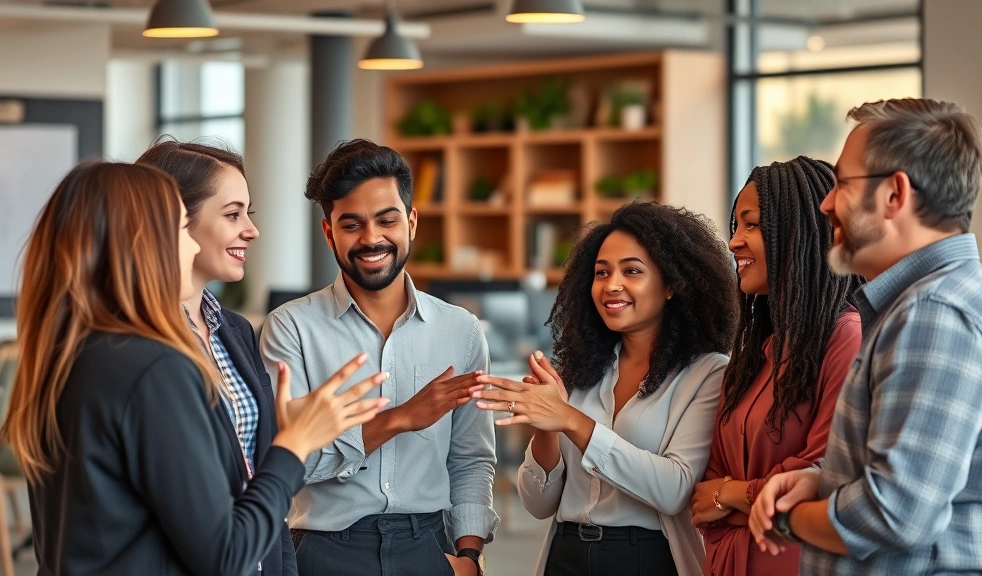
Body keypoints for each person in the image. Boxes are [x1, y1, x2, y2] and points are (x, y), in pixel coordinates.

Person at [1, 161, 389, 575]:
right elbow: (225, 555)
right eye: (178, 228)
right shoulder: (154, 367)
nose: (189, 248)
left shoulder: (72, 354)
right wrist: (292, 447)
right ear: (143, 243)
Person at [748, 98, 982, 575]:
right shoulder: (928, 304)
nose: (826, 203)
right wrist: (820, 482)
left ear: (895, 194)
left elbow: (894, 514)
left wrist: (791, 519)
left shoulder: (937, 315)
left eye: (842, 184)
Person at [259, 139, 497, 576]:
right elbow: (286, 463)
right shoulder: (290, 328)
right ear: (329, 232)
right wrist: (399, 418)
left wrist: (469, 557)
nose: (371, 239)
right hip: (323, 551)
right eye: (352, 225)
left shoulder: (460, 330)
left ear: (411, 223)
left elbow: (470, 457)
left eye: (387, 220)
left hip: (429, 546)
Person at [472, 201, 739, 576]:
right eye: (601, 272)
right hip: (565, 555)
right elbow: (538, 504)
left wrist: (570, 419)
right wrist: (547, 428)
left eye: (632, 271)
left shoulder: (707, 372)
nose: (612, 285)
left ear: (671, 285)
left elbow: (674, 489)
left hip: (645, 559)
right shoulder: (580, 370)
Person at [688, 157, 862, 576]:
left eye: (752, 225)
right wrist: (735, 501)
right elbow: (703, 491)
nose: (734, 242)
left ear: (798, 233)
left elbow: (823, 476)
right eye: (735, 226)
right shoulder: (756, 352)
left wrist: (729, 495)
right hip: (729, 561)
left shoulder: (847, 337)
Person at [137, 140, 296, 576]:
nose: (251, 230)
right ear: (177, 221)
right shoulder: (140, 348)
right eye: (232, 214)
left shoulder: (236, 330)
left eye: (249, 214)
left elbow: (259, 473)